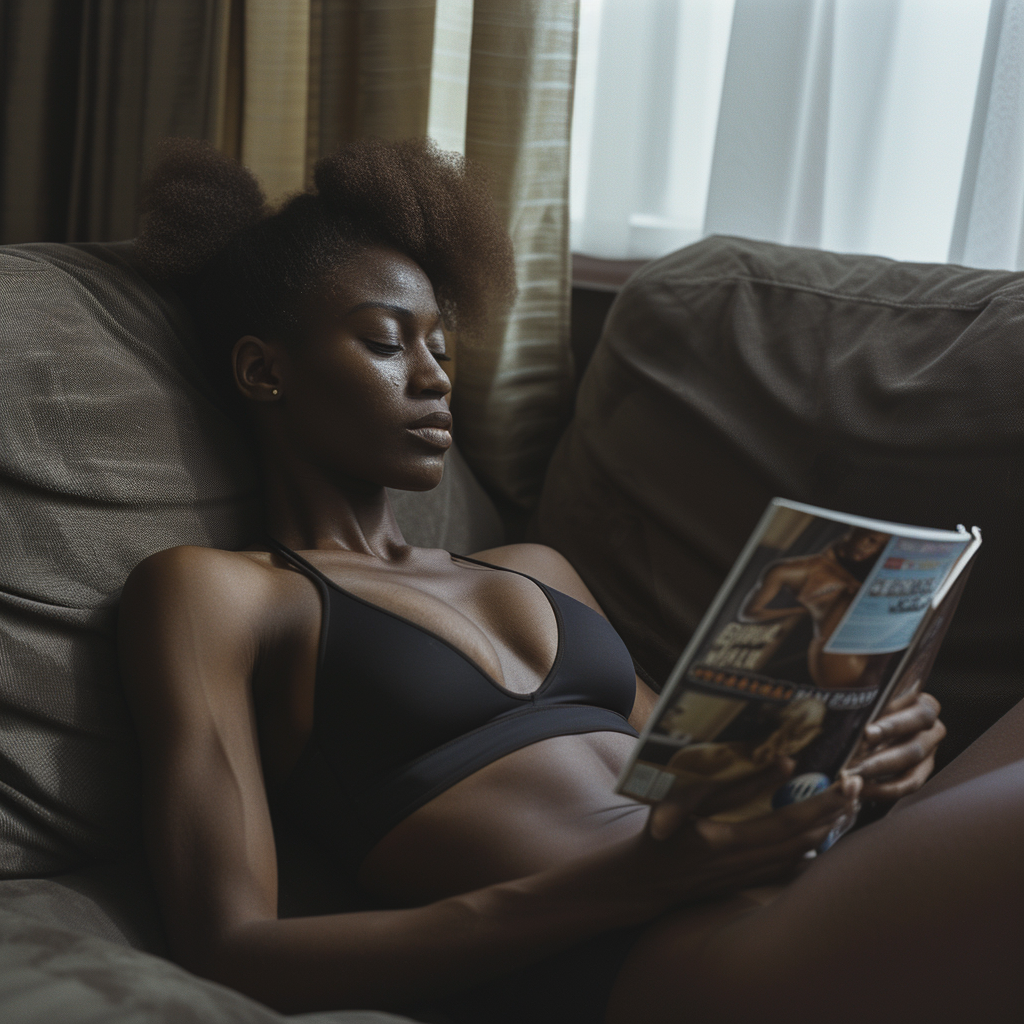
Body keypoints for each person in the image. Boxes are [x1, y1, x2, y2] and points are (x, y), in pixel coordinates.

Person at [118, 138, 1022, 1024]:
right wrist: (633, 883)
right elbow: (228, 947)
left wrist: (855, 767)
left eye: (443, 343)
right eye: (387, 342)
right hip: (658, 955)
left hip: (791, 884)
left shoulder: (537, 570)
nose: (436, 376)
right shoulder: (220, 594)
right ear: (263, 370)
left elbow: (702, 775)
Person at [740, 527, 890, 688]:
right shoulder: (791, 570)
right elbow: (749, 612)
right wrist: (799, 610)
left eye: (880, 548)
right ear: (855, 530)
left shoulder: (849, 568)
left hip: (865, 646)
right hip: (835, 655)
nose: (872, 550)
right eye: (872, 540)